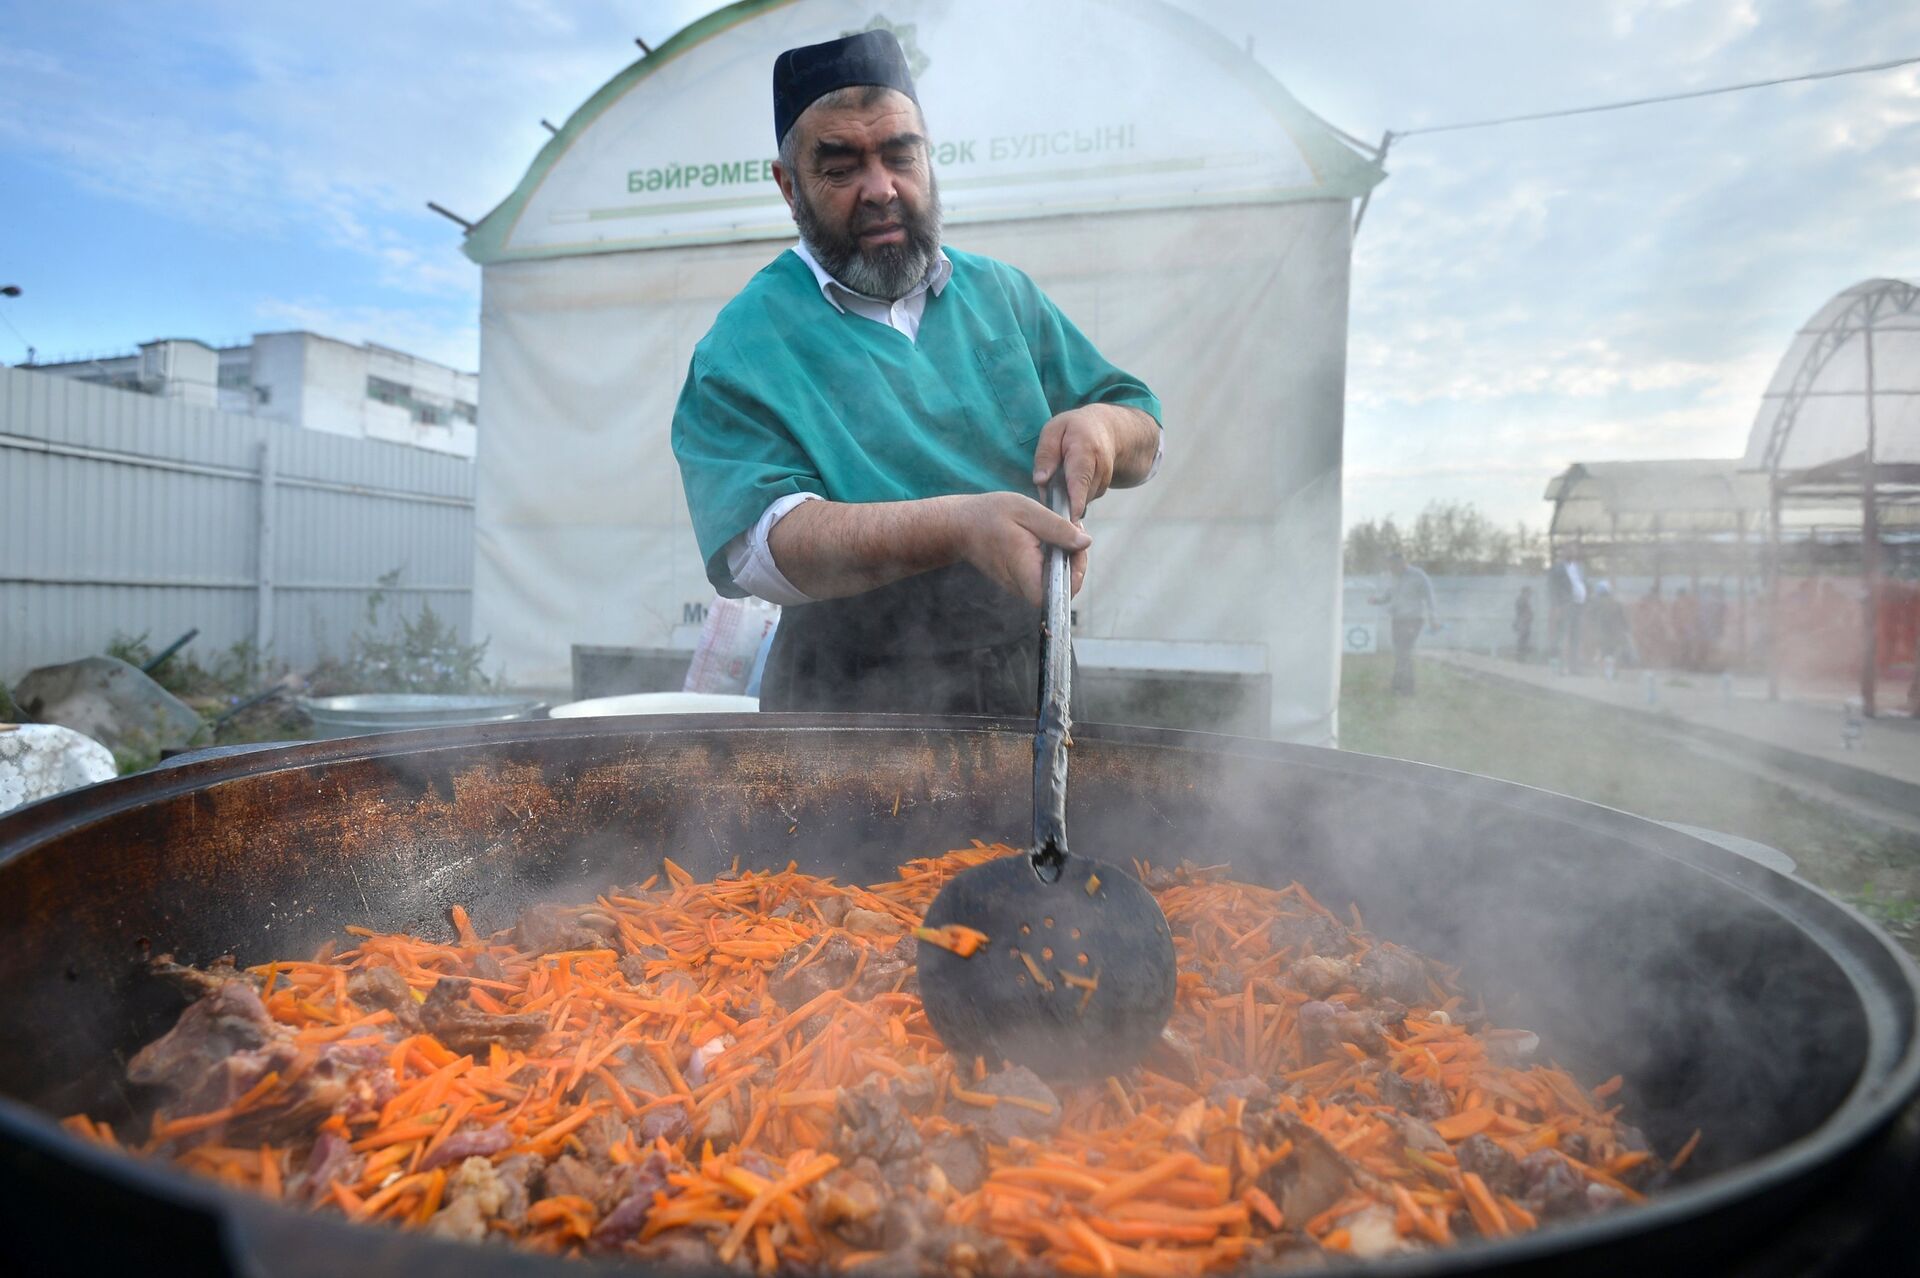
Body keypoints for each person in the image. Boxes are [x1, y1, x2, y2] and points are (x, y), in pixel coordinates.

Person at [671, 31, 1164, 714]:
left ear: (927, 156)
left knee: (1032, 827)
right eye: (841, 167)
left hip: (1031, 677)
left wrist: (1106, 429)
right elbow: (763, 547)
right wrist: (959, 526)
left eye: (900, 155)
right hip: (842, 698)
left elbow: (1143, 431)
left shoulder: (1000, 295)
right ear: (789, 187)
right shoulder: (746, 342)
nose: (881, 190)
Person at [1368, 551, 1438, 695]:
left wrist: (1433, 618)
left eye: (1393, 565)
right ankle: (1398, 686)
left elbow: (1429, 597)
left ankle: (1406, 688)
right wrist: (1376, 600)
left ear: (1402, 563)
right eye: (1389, 566)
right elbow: (1388, 595)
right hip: (1398, 619)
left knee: (1404, 651)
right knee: (1400, 652)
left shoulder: (1418, 576)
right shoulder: (1393, 577)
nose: (1390, 569)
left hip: (1413, 619)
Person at [1546, 548, 1587, 672]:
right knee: (1561, 636)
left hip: (1578, 606)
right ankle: (1558, 666)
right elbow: (1552, 588)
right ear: (1563, 554)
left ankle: (1574, 668)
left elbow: (1582, 583)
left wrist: (1586, 599)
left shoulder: (1579, 568)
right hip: (1565, 606)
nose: (1571, 553)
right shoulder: (1557, 569)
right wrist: (1556, 606)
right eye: (1568, 550)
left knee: (1576, 637)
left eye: (1572, 550)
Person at [1512, 585, 1535, 663]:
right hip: (1522, 623)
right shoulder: (1522, 600)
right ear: (1525, 592)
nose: (1530, 595)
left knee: (1523, 640)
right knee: (1522, 640)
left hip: (1524, 623)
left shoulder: (1523, 600)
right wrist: (1527, 617)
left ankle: (1522, 658)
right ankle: (1520, 658)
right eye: (1529, 593)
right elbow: (1522, 612)